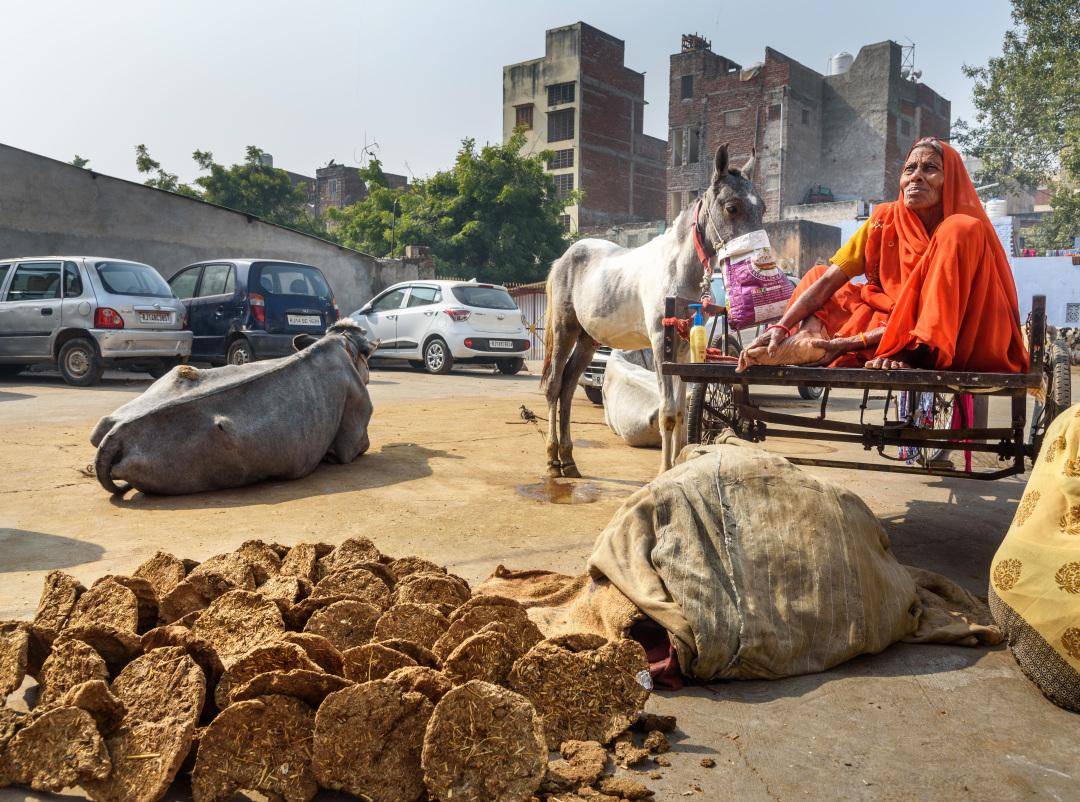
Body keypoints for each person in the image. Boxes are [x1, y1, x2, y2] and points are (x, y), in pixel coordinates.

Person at [739, 138, 1029, 373]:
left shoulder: (963, 229)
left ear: (950, 179)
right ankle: (808, 341)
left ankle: (880, 350)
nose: (916, 177)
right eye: (909, 169)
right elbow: (829, 280)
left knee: (959, 228)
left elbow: (938, 311)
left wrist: (853, 343)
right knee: (817, 276)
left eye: (930, 168)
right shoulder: (884, 220)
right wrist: (781, 326)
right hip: (889, 320)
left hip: (947, 332)